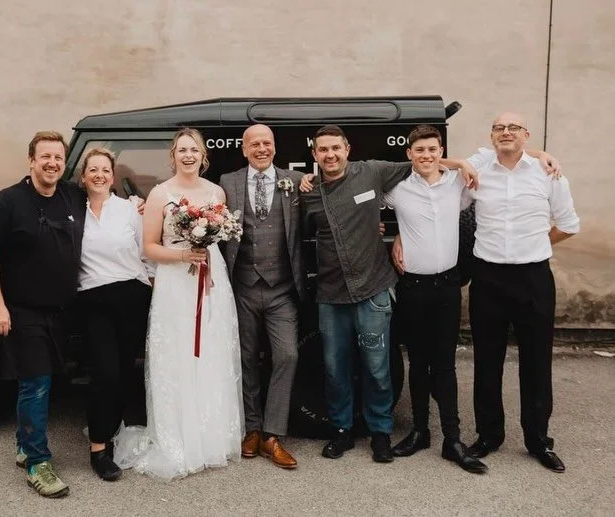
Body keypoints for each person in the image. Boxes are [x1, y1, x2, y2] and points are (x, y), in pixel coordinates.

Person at [300, 124, 479, 464]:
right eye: (322, 150)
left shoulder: (372, 172)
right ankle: (341, 431)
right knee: (335, 368)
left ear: (347, 149)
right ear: (314, 155)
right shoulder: (308, 191)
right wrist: (302, 181)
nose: (330, 154)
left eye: (336, 148)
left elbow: (423, 162)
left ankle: (380, 432)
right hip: (331, 292)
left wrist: (459, 164)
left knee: (378, 368)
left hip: (373, 288)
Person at [113, 128, 243, 481]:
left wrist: (203, 249)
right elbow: (149, 247)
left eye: (194, 150)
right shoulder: (160, 193)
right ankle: (179, 440)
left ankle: (211, 437)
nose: (188, 155)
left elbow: (220, 234)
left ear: (204, 156)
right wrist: (183, 253)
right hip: (175, 282)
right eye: (182, 150)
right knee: (178, 355)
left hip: (211, 279)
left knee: (211, 353)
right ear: (173, 156)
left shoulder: (216, 191)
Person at [464, 113, 579, 473]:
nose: (506, 132)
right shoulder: (477, 174)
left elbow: (569, 224)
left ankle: (538, 441)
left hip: (533, 279)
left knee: (536, 361)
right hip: (488, 278)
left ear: (527, 135)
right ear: (492, 136)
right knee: (486, 360)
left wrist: (536, 243)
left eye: (514, 127)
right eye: (499, 127)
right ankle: (489, 435)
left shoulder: (548, 174)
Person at [0, 131, 86, 498]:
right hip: (23, 310)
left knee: (50, 381)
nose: (52, 163)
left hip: (63, 311)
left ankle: (24, 443)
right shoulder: (7, 202)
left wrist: (135, 205)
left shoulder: (72, 195)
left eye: (58, 157)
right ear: (31, 161)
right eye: (45, 157)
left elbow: (104, 203)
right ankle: (38, 462)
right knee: (36, 383)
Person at [382, 125, 487, 473]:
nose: (426, 156)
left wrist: (456, 164)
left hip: (447, 286)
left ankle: (452, 439)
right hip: (412, 287)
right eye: (419, 150)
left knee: (445, 364)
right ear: (409, 154)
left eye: (432, 150)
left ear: (440, 150)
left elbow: (499, 157)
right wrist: (396, 234)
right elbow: (356, 185)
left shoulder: (458, 183)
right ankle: (420, 432)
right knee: (418, 362)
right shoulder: (396, 189)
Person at [219, 124, 305, 469]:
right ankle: (252, 428)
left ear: (275, 147)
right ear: (244, 149)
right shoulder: (227, 182)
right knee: (245, 358)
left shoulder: (296, 182)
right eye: (254, 144)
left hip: (282, 288)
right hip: (241, 286)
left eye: (266, 143)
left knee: (287, 355)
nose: (261, 148)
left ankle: (272, 433)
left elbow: (321, 211)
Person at [76, 147, 153, 481]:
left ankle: (115, 430)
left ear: (113, 176)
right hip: (93, 297)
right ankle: (98, 447)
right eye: (92, 169)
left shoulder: (130, 209)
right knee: (103, 374)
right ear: (83, 177)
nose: (99, 175)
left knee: (122, 372)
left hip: (131, 293)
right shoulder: (72, 211)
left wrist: (150, 287)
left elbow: (145, 252)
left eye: (105, 170)